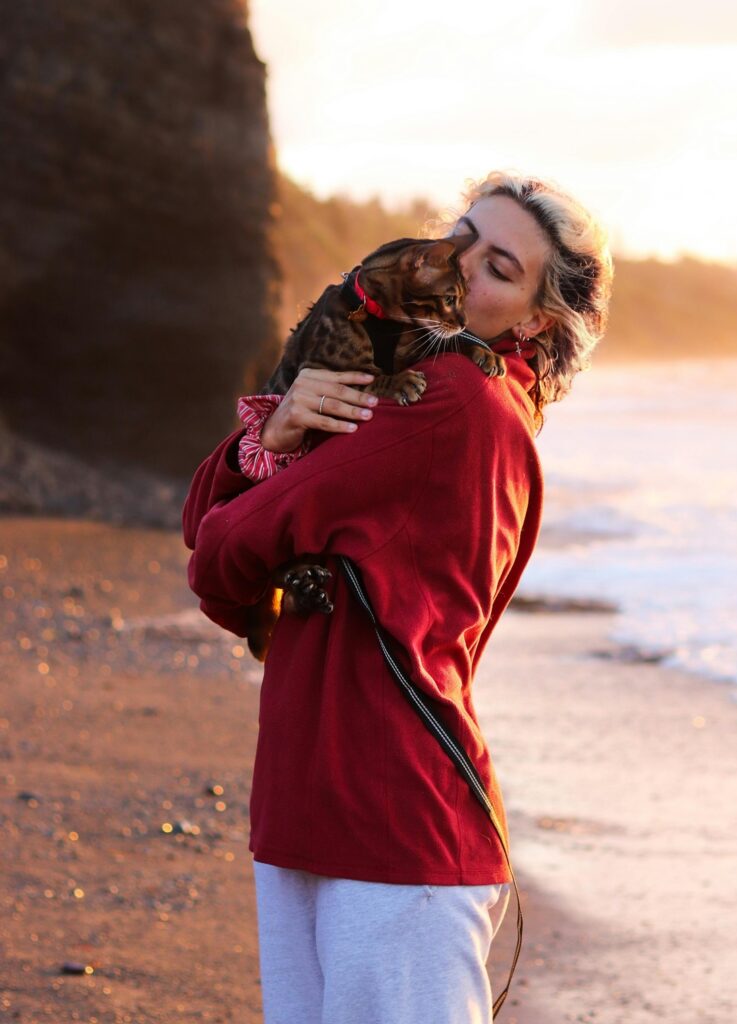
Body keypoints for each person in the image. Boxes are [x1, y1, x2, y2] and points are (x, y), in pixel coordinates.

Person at [182, 171, 613, 1024]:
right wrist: (273, 433)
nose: (459, 270)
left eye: (497, 267)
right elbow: (213, 530)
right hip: (326, 803)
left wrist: (275, 453)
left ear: (532, 320)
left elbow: (219, 556)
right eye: (459, 240)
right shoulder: (426, 391)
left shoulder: (454, 401)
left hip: (391, 825)